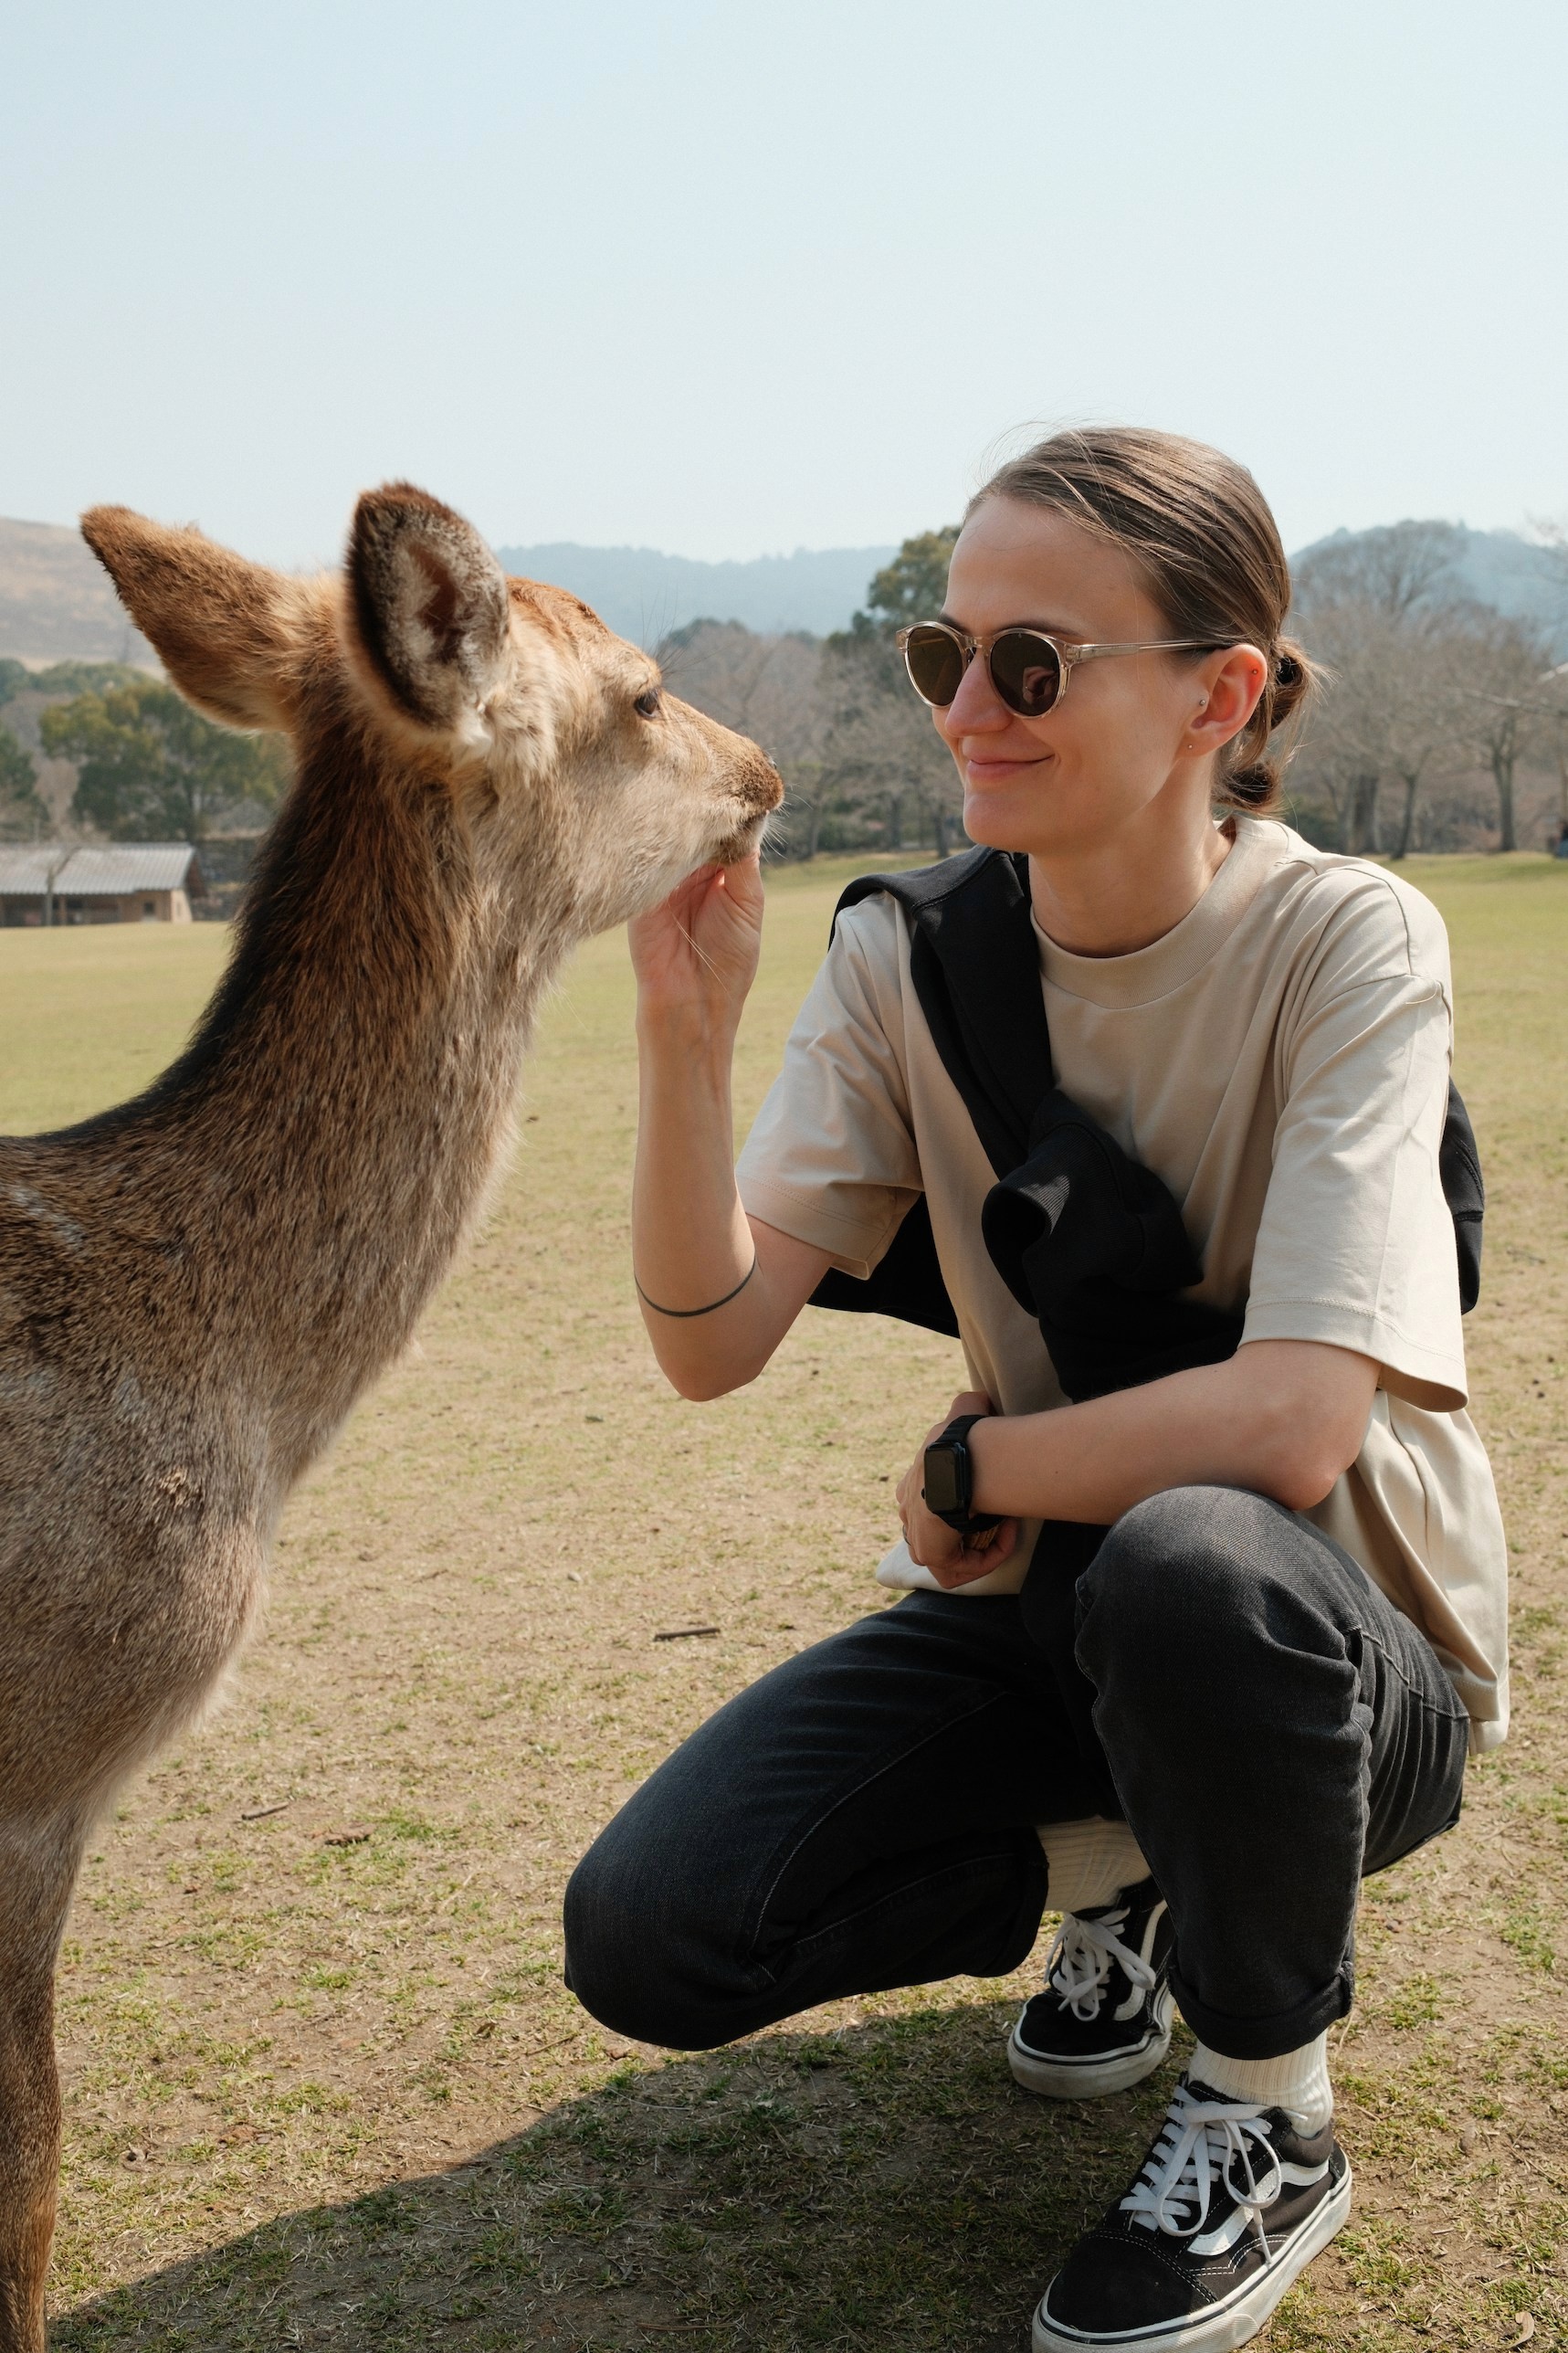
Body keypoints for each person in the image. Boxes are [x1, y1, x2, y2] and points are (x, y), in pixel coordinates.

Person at [563, 427, 1508, 2353]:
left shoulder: (1347, 940)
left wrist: (975, 1460)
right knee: (656, 1928)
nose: (964, 710)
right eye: (946, 654)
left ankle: (1267, 2106)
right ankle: (1143, 1878)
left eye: (1031, 663)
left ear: (1217, 698)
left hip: (1341, 1669)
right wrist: (682, 1031)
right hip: (1060, 1617)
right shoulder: (905, 954)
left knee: (1193, 1562)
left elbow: (1291, 1428)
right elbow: (708, 1339)